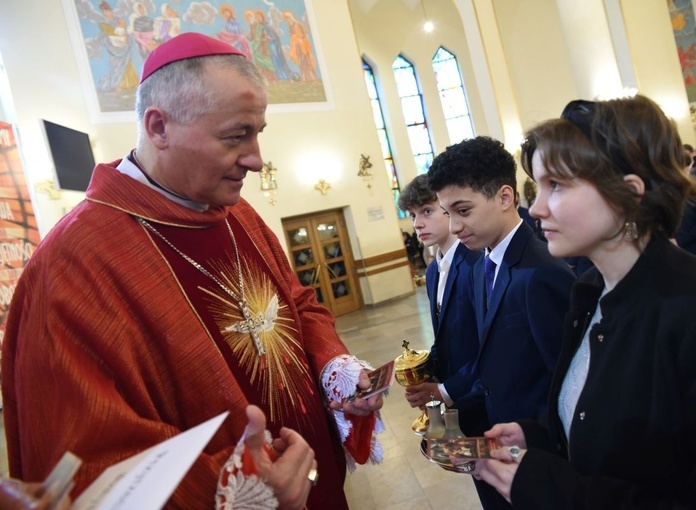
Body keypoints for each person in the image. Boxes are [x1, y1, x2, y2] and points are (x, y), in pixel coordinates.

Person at [2, 33, 384, 509]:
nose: (256, 158)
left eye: (258, 132)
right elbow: (84, 465)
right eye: (235, 135)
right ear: (159, 126)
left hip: (315, 484)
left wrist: (336, 368)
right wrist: (241, 486)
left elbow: (296, 303)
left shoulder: (236, 214)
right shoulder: (75, 261)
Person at [473, 95, 696, 508]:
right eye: (538, 186)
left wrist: (552, 488)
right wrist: (541, 436)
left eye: (555, 185)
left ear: (627, 193)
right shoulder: (591, 291)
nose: (536, 208)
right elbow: (617, 431)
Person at [420, 136, 575, 508]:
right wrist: (458, 433)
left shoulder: (541, 273)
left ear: (505, 197)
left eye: (463, 210)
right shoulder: (480, 266)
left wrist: (534, 451)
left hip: (537, 453)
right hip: (497, 439)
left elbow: (566, 386)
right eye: (447, 212)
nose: (455, 226)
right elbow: (489, 359)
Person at [397, 175, 486, 436]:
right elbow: (446, 335)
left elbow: (489, 346)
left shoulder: (475, 262)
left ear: (448, 209)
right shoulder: (435, 269)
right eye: (412, 215)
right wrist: (425, 374)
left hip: (482, 396)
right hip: (460, 399)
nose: (417, 223)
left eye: (427, 211)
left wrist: (446, 391)